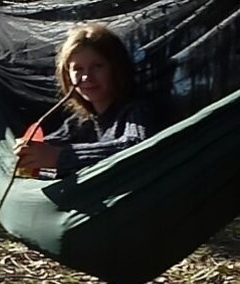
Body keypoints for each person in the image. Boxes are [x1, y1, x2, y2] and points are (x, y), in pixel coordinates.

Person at [15, 24, 158, 175]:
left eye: (97, 66)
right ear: (67, 75)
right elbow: (54, 144)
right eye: (78, 69)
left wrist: (61, 158)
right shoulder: (82, 122)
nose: (86, 77)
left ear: (116, 68)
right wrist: (30, 153)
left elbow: (138, 146)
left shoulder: (137, 110)